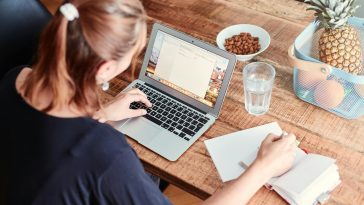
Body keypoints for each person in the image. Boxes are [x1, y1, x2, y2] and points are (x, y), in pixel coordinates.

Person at [0, 0, 296, 204]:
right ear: (104, 69)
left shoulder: (15, 79)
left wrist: (101, 113)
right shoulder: (108, 156)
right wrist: (262, 167)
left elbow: (51, 142)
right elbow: (85, 156)